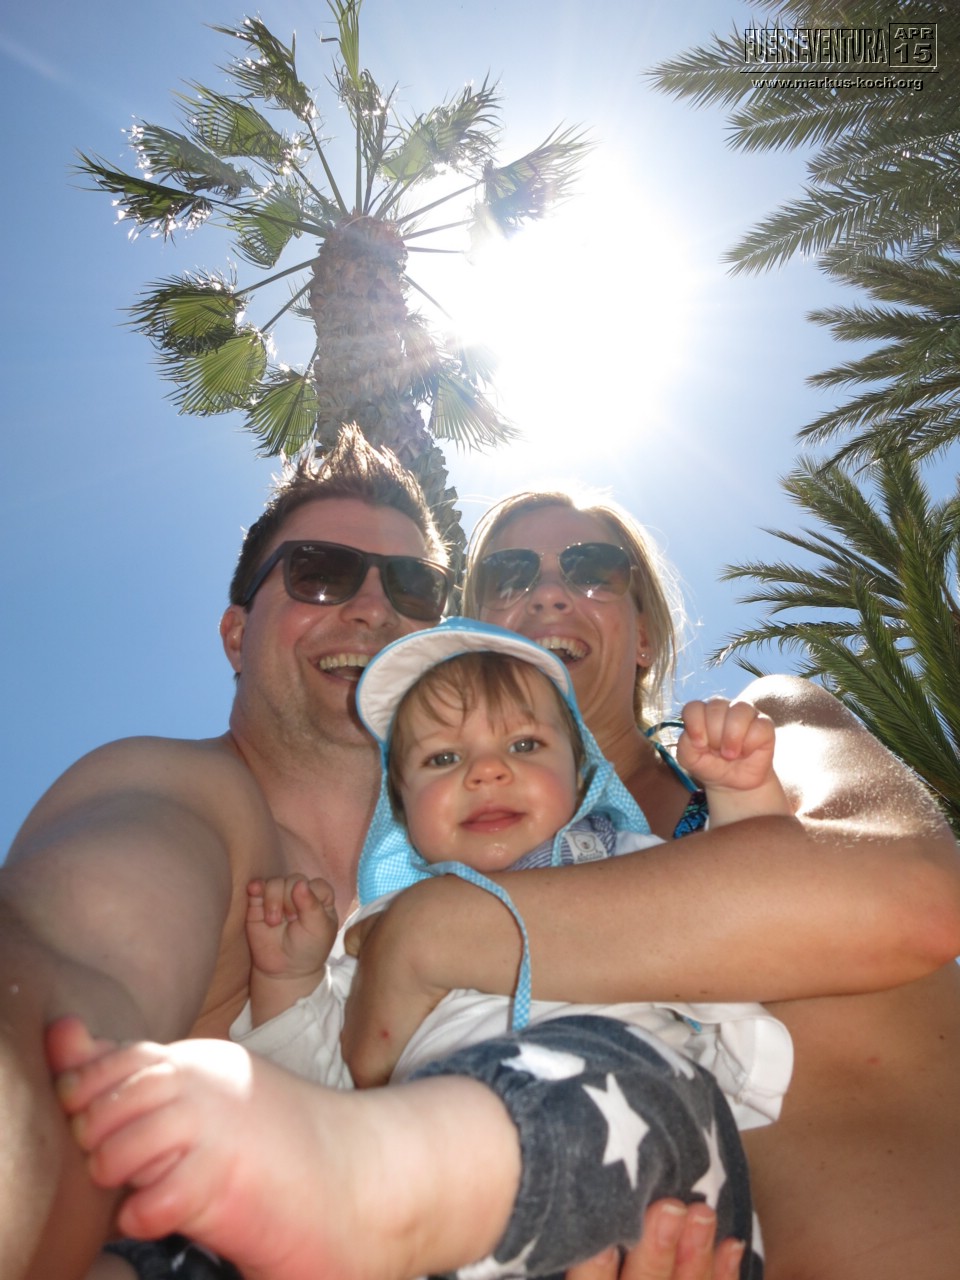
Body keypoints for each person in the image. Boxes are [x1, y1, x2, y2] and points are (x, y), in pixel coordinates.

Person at [5, 428, 737, 1280]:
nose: (371, 609)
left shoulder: (588, 844)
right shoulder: (177, 796)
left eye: (412, 586)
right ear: (237, 634)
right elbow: (70, 961)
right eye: (320, 572)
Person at [338, 489, 960, 1280]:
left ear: (644, 636)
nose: (550, 591)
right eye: (509, 573)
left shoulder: (763, 734)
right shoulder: (421, 860)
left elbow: (912, 897)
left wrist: (437, 933)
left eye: (593, 569)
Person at [57, 618, 795, 1279]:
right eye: (442, 759)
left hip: (647, 1191)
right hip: (402, 1228)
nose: (486, 770)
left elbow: (751, 918)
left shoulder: (627, 866)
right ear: (402, 812)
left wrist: (739, 797)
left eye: (525, 745)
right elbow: (321, 1081)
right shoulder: (377, 936)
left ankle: (374, 1185)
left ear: (581, 780)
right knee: (197, 1237)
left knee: (639, 1078)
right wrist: (289, 978)